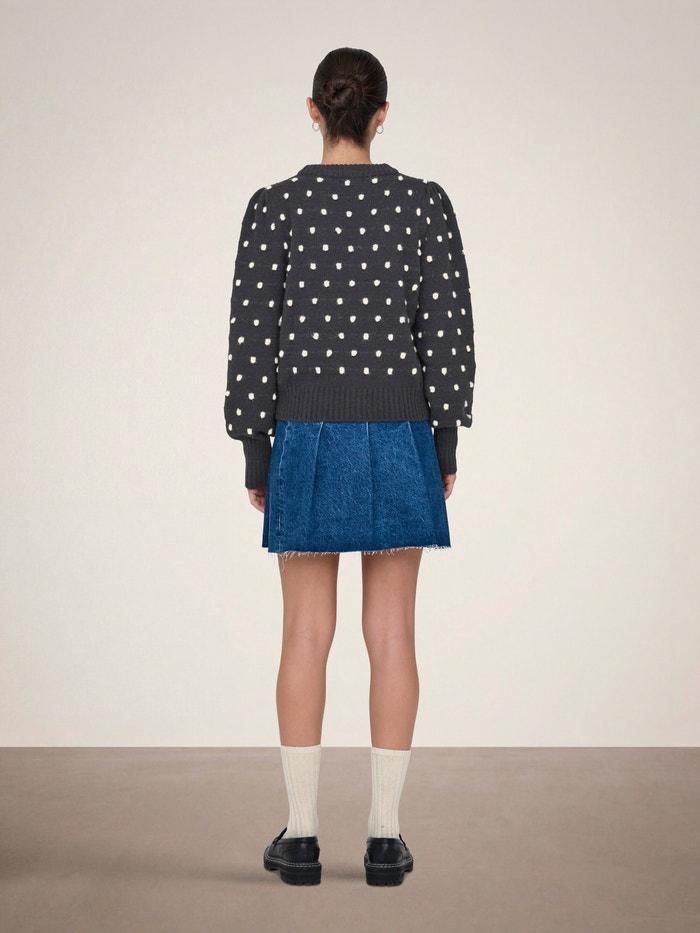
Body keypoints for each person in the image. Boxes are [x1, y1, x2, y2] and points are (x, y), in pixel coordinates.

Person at [224, 47, 476, 886]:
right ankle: (384, 837)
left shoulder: (275, 208)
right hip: (400, 431)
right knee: (393, 632)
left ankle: (300, 838)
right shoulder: (423, 206)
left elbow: (251, 336)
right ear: (381, 116)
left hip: (304, 431)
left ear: (313, 111)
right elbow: (447, 329)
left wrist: (257, 447)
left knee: (305, 632)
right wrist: (444, 440)